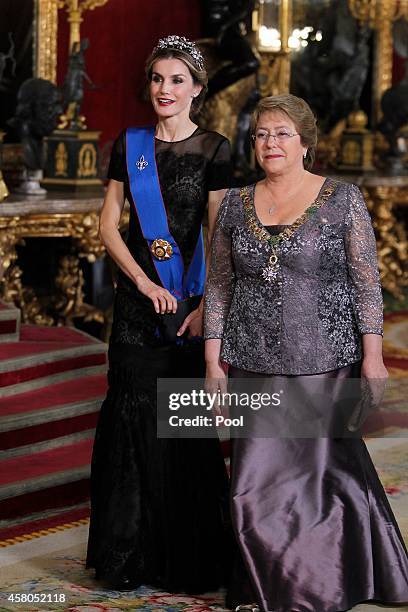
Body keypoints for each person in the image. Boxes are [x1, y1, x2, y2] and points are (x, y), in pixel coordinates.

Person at [204, 94, 408, 611]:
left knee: (318, 485)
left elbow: (366, 284)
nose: (269, 143)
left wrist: (373, 356)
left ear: (305, 143)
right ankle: (263, 583)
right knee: (251, 489)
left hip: (325, 360)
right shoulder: (232, 203)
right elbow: (220, 287)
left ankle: (314, 586)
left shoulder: (342, 199)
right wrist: (213, 361)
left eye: (281, 133)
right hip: (252, 360)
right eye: (261, 134)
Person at [86, 35, 232, 593]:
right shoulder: (130, 144)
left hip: (189, 308)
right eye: (157, 79)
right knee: (129, 413)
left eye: (177, 80)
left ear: (196, 89)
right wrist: (143, 281)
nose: (164, 89)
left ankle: (183, 553)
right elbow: (108, 224)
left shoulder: (216, 150)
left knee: (180, 422)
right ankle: (129, 553)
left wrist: (202, 309)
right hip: (135, 304)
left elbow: (219, 240)